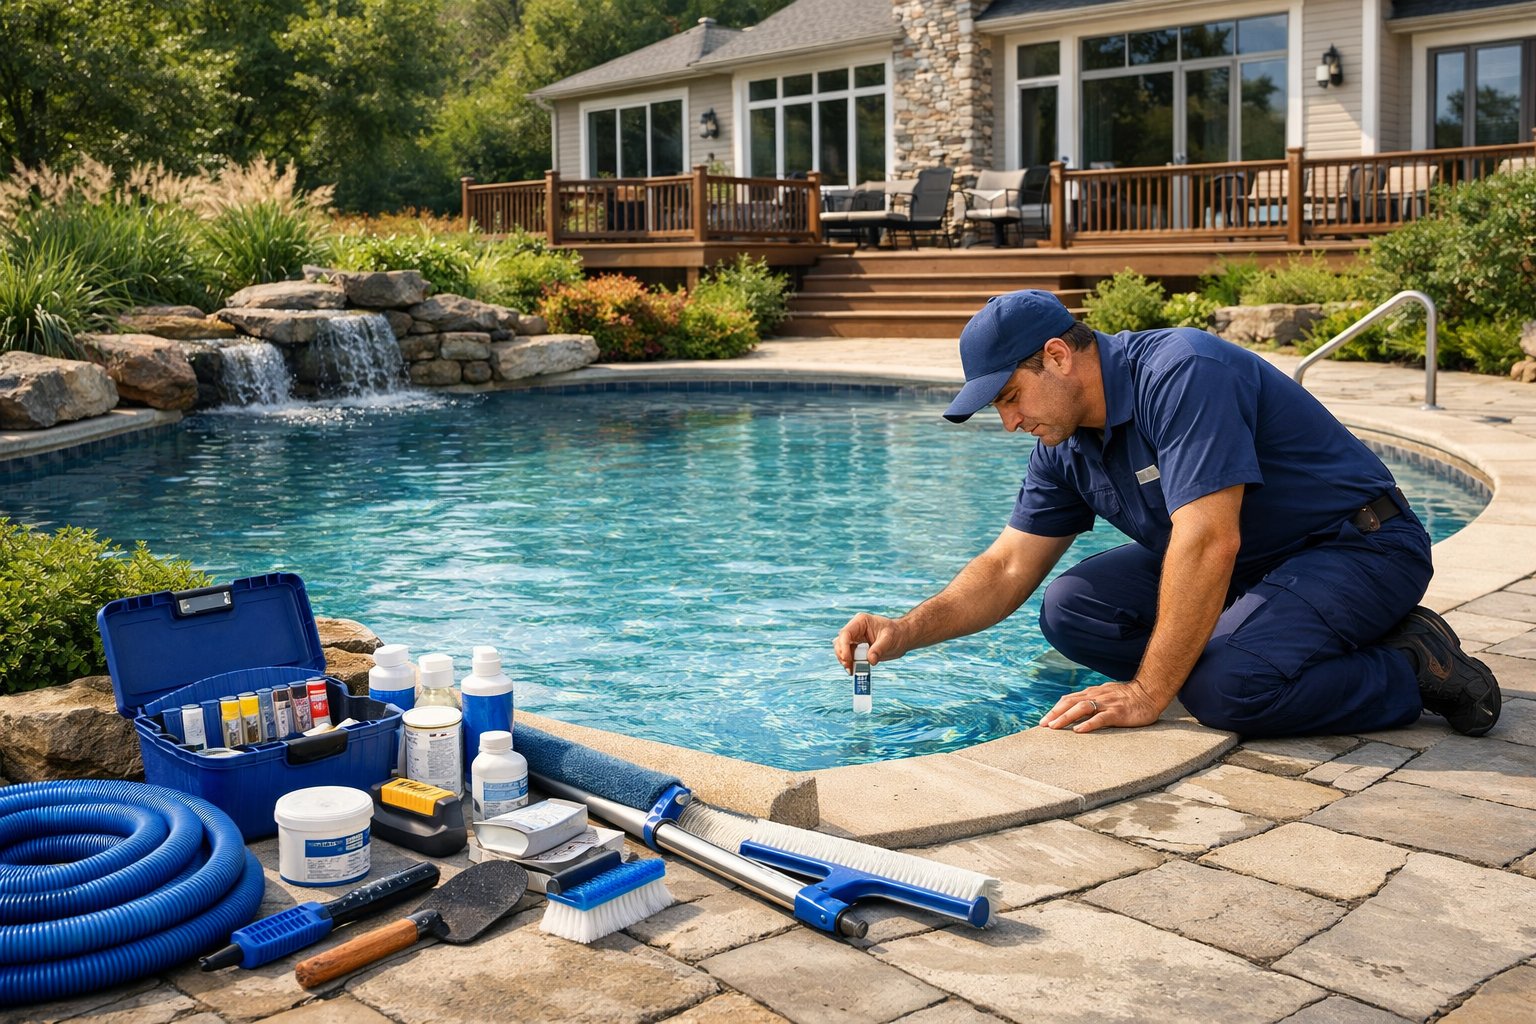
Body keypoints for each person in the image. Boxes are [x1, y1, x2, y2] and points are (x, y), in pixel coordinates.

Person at [833, 289, 1501, 739]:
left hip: (1357, 547)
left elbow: (1208, 541)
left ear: (1058, 356)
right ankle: (1266, 640)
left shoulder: (1182, 372)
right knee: (1072, 608)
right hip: (1256, 567)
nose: (1008, 422)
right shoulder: (1064, 442)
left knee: (1224, 689)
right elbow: (1008, 567)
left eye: (1010, 397)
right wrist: (906, 629)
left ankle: (1409, 666)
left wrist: (1153, 690)